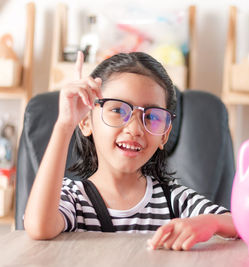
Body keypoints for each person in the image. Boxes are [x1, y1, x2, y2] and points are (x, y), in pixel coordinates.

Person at [24, 51, 237, 250]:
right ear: (86, 122)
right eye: (117, 109)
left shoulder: (174, 201)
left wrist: (211, 222)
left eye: (152, 116)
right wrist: (65, 124)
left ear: (164, 134)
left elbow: (243, 225)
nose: (135, 129)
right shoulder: (74, 198)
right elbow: (39, 226)